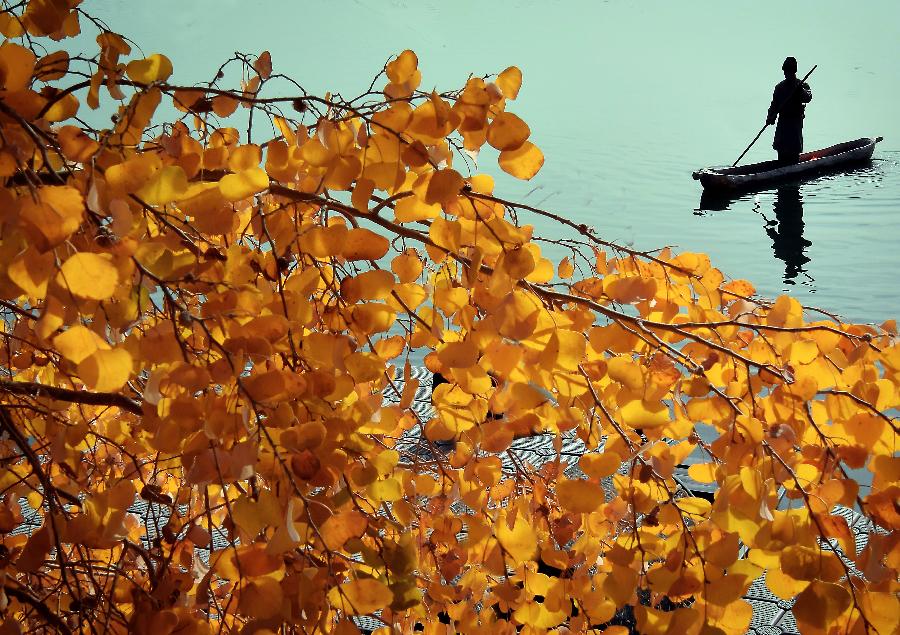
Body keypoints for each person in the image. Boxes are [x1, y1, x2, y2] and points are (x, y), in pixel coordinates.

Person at [766, 57, 812, 165]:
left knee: (793, 151)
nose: (786, 75)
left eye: (788, 72)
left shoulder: (802, 85)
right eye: (785, 72)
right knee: (781, 150)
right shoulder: (779, 87)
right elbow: (774, 105)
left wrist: (799, 89)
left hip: (795, 123)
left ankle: (792, 170)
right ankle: (781, 168)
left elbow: (808, 98)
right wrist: (770, 117)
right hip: (783, 123)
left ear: (794, 71)